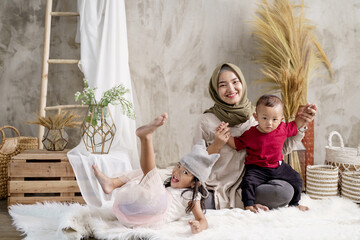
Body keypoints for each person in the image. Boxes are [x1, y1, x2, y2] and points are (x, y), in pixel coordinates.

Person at [193, 62, 317, 211]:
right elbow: (195, 162)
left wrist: (302, 123)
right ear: (215, 89)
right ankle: (239, 202)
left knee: (284, 191)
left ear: (242, 84)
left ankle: (244, 200)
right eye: (223, 85)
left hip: (258, 183)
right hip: (219, 186)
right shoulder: (207, 121)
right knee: (189, 198)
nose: (231, 89)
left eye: (235, 82)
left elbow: (278, 149)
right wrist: (217, 144)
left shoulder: (259, 116)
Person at [93, 113, 220, 234]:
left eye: (185, 172)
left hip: (155, 215)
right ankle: (113, 183)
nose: (177, 172)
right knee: (143, 175)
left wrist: (199, 226)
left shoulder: (191, 196)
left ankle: (146, 137)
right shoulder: (168, 188)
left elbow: (202, 220)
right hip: (130, 214)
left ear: (194, 183)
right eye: (178, 166)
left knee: (153, 178)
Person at [222, 94, 313, 212]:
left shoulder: (282, 128)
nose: (269, 123)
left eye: (274, 119)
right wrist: (227, 136)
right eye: (265, 118)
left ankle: (294, 203)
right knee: (248, 183)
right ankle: (248, 205)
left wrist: (305, 113)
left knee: (297, 178)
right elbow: (237, 144)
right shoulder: (251, 134)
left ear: (281, 119)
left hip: (278, 166)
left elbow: (296, 124)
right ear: (256, 117)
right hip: (257, 169)